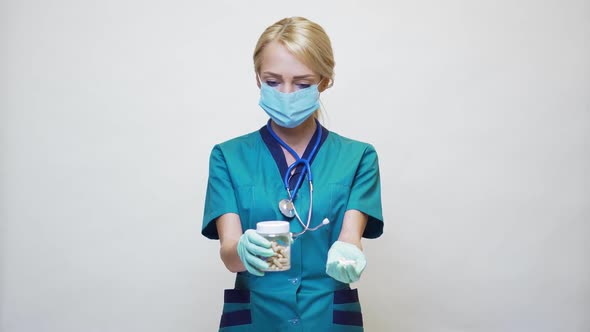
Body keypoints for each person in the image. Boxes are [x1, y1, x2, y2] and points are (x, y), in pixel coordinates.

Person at [202, 16, 384, 331]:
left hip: (326, 319)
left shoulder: (358, 158)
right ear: (258, 78)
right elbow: (229, 255)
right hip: (256, 318)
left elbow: (350, 239)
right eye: (273, 81)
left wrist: (348, 254)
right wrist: (243, 251)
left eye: (302, 83)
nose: (286, 93)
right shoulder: (228, 157)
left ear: (324, 81)